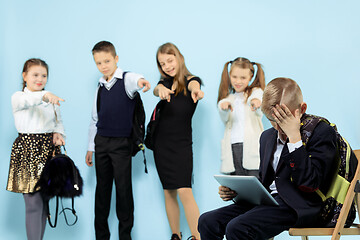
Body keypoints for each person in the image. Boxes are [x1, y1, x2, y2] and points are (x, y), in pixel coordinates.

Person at [198, 77, 341, 240]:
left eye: (283, 120)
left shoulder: (321, 132)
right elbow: (267, 180)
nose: (279, 128)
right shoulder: (267, 137)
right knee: (207, 221)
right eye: (273, 121)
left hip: (299, 204)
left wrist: (295, 139)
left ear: (302, 109)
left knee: (238, 227)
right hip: (268, 202)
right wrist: (237, 192)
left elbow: (310, 183)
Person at [85, 41, 151, 240]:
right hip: (101, 143)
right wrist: (91, 148)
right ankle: (101, 236)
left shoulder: (126, 79)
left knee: (123, 191)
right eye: (99, 63)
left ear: (116, 59)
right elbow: (95, 119)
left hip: (121, 144)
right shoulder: (100, 87)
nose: (103, 65)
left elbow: (136, 79)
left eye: (107, 60)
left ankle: (125, 236)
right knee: (102, 192)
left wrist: (143, 82)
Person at [6, 58, 65, 240]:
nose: (40, 79)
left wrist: (58, 133)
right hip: (27, 151)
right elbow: (30, 101)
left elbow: (58, 122)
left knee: (44, 202)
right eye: (35, 75)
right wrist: (45, 96)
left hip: (49, 150)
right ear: (25, 76)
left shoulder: (50, 97)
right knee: (32, 204)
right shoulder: (19, 97)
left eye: (44, 75)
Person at [153, 42, 204, 240]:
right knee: (168, 192)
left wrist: (196, 91)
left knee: (184, 190)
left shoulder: (192, 81)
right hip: (161, 145)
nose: (167, 66)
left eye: (170, 60)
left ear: (179, 58)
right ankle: (175, 235)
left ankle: (198, 236)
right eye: (162, 63)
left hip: (181, 144)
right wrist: (160, 90)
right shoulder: (164, 83)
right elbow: (156, 89)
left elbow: (194, 84)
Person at [217, 57, 265, 176]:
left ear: (250, 77)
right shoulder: (228, 98)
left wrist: (256, 102)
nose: (238, 81)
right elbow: (224, 117)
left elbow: (258, 99)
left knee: (255, 182)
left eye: (243, 78)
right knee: (237, 185)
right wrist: (224, 107)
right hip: (233, 147)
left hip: (252, 147)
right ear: (229, 75)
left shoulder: (255, 92)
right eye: (234, 77)